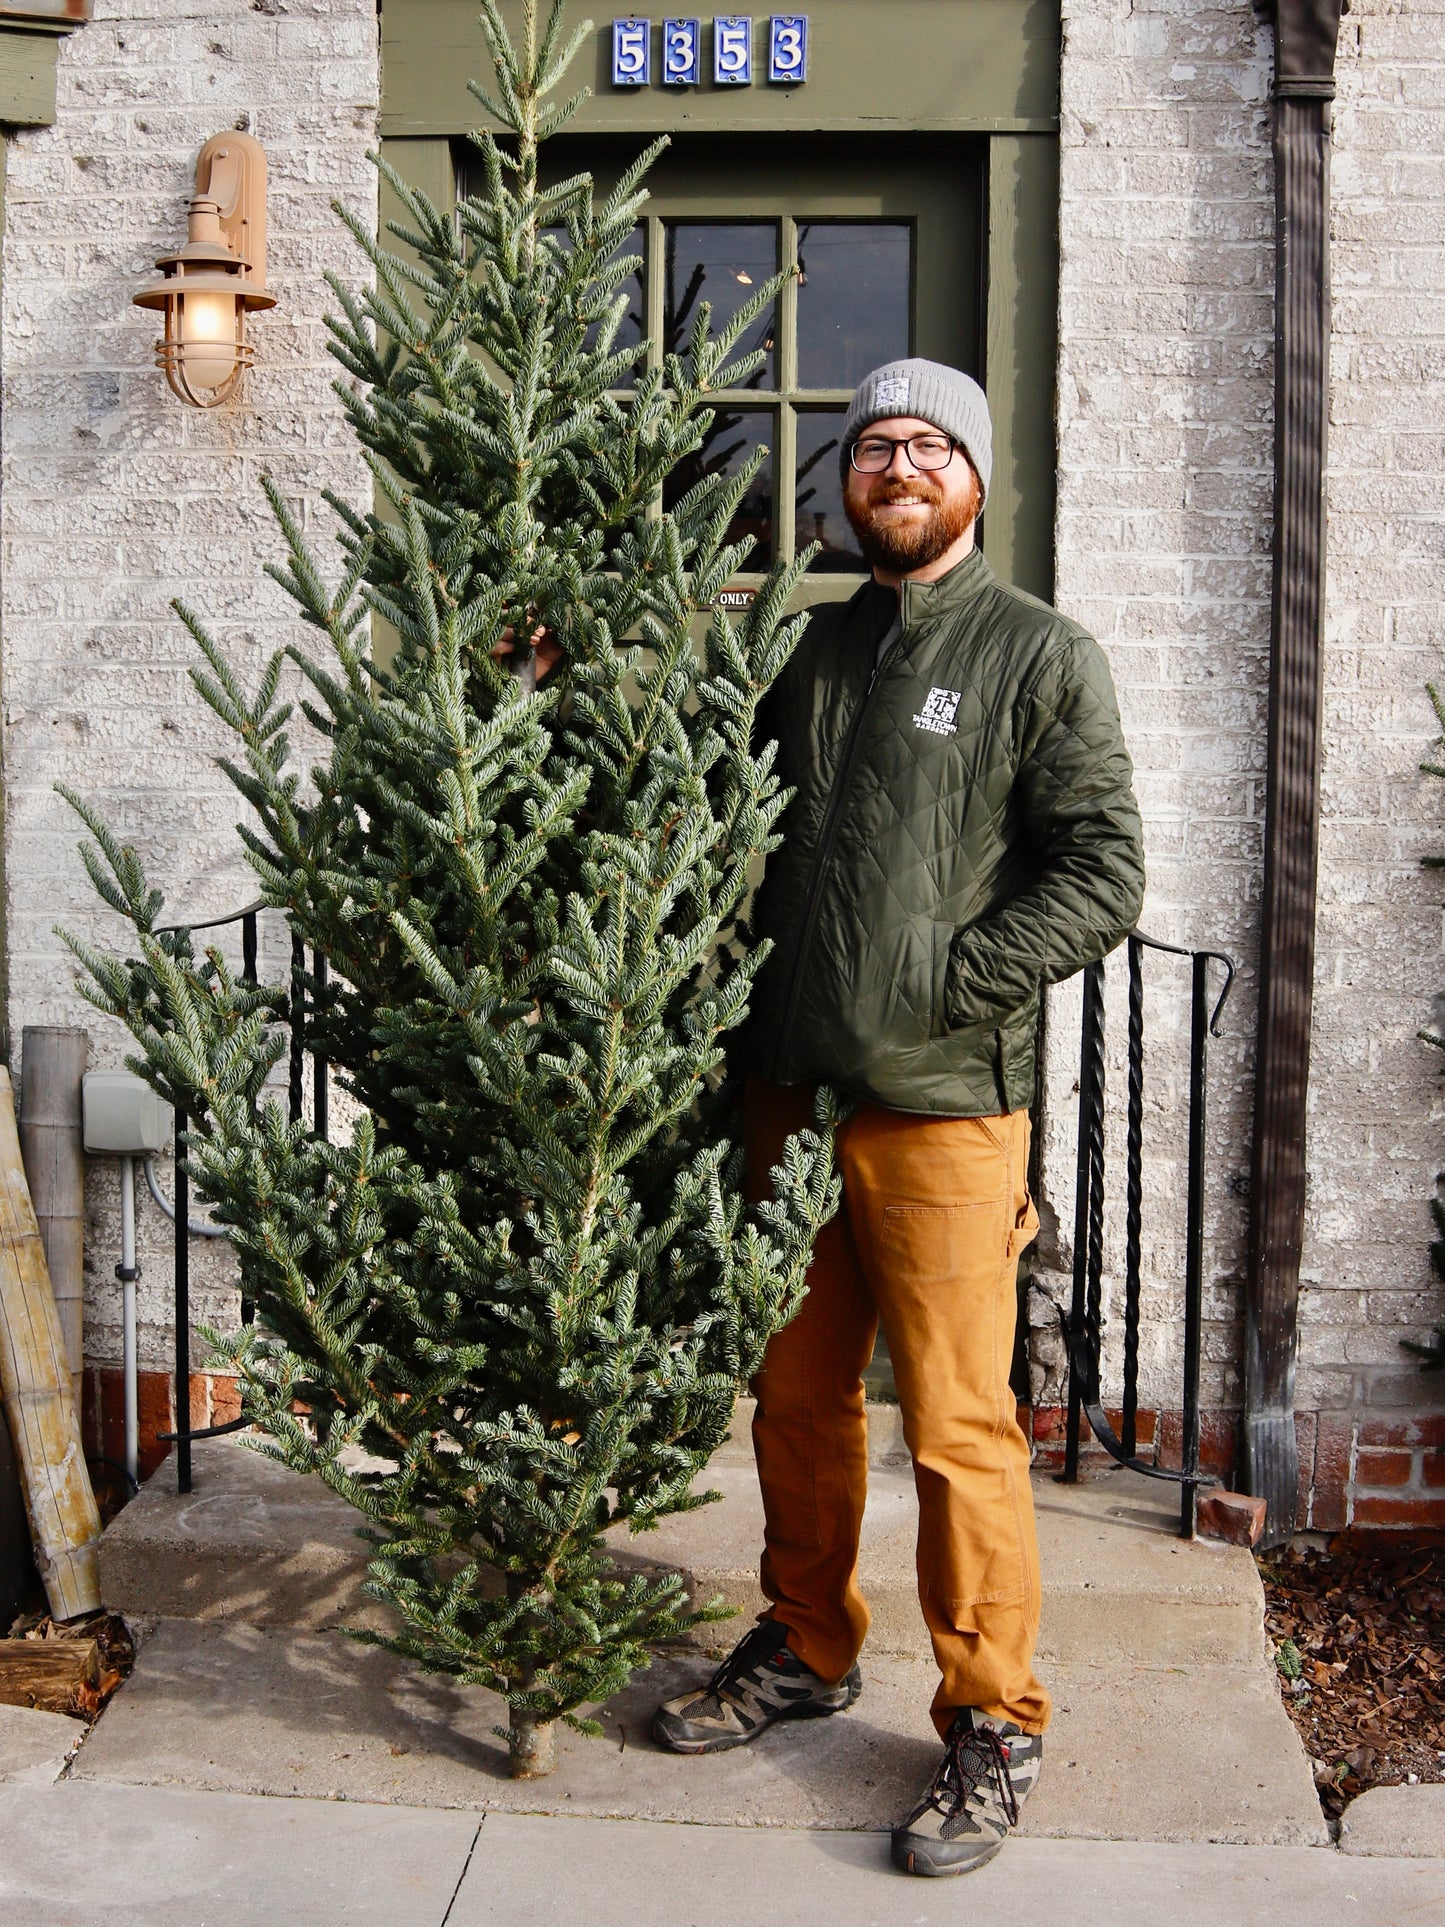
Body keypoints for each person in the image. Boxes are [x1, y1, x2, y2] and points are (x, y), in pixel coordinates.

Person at [651, 359, 1146, 1878]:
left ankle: (991, 1718)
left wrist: (944, 986)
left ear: (974, 481)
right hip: (788, 1104)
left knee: (954, 1430)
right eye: (872, 448)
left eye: (928, 447)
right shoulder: (806, 655)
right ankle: (806, 1642)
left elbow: (1102, 873)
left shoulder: (1036, 655)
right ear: (845, 484)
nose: (897, 468)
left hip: (941, 1112)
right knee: (794, 1407)